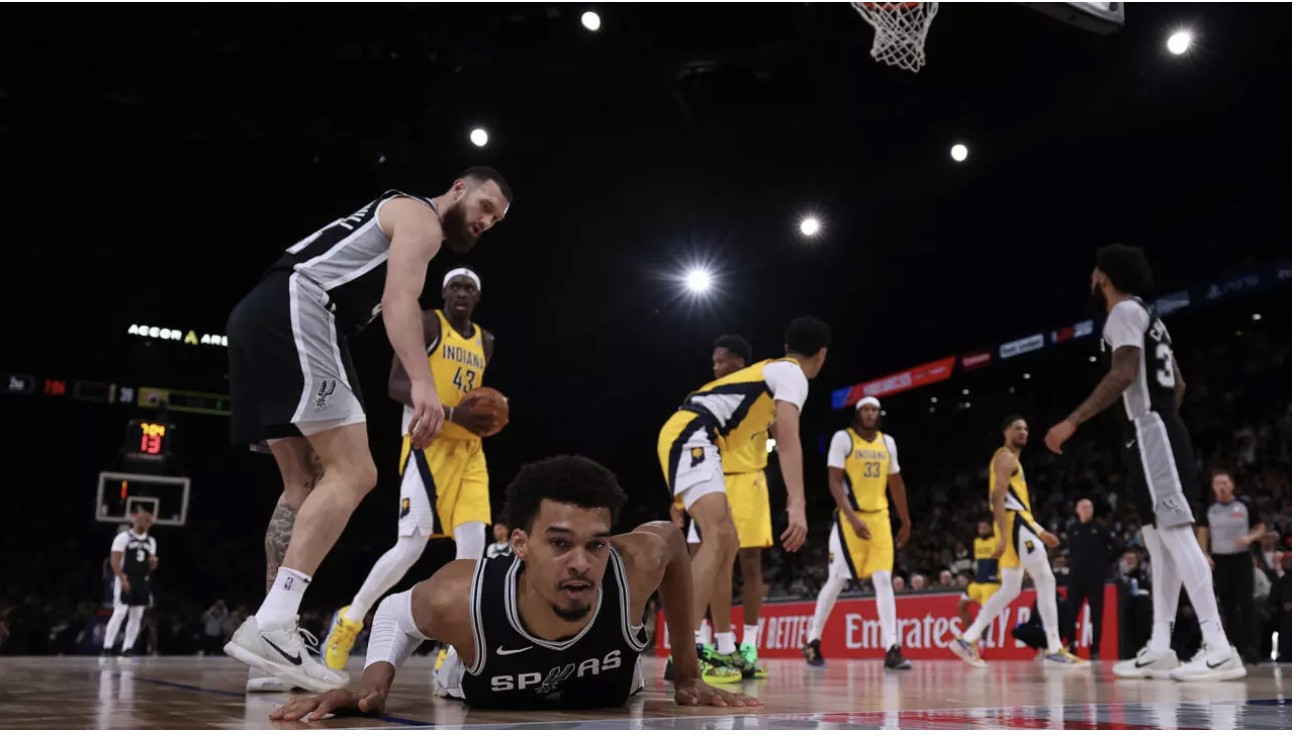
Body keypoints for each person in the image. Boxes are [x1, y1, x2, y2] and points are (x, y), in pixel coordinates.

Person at [223, 168, 512, 693]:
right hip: (301, 304)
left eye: (496, 219)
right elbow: (401, 303)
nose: (486, 220)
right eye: (485, 205)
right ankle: (273, 625)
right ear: (458, 188)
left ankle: (268, 645)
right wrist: (424, 385)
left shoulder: (402, 222)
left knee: (303, 483)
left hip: (257, 313)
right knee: (355, 471)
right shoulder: (422, 219)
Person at [267, 456, 760, 719]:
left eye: (595, 545)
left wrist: (687, 674)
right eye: (560, 543)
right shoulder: (462, 598)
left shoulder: (630, 567)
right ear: (520, 545)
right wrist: (373, 687)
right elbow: (395, 612)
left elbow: (673, 540)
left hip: (609, 695)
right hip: (472, 681)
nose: (581, 564)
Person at [1044, 243, 1245, 682]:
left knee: (1175, 534)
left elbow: (1123, 372)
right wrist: (1161, 419)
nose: (1091, 282)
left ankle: (1218, 646)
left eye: (1094, 274)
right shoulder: (1150, 318)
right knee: (1157, 541)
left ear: (1105, 278)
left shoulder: (1123, 314)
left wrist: (1072, 421)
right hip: (1153, 429)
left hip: (1151, 430)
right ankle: (1160, 646)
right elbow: (1181, 383)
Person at [323, 267, 501, 670]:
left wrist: (485, 413)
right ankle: (351, 620)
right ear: (443, 293)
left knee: (473, 551)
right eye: (454, 285)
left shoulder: (486, 341)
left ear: (477, 297)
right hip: (427, 442)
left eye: (469, 288)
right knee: (411, 546)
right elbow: (396, 385)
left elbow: (474, 395)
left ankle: (455, 650)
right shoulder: (426, 323)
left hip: (470, 453)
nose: (461, 292)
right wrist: (454, 412)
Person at [657, 317, 828, 683]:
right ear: (822, 355)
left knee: (727, 540)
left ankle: (719, 648)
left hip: (701, 441)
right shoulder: (793, 375)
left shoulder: (770, 372)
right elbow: (787, 437)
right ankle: (684, 651)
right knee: (717, 538)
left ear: (787, 347)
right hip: (694, 436)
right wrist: (797, 503)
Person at [948, 417, 1087, 669]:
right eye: (1017, 428)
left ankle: (967, 640)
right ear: (1005, 431)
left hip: (1019, 527)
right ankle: (1054, 649)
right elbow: (997, 499)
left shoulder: (1013, 461)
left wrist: (1041, 532)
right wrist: (1002, 536)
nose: (1023, 432)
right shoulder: (1006, 458)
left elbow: (1016, 505)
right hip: (1014, 529)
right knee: (1045, 578)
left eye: (1026, 428)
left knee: (1010, 590)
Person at [673, 335, 774, 680]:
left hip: (750, 481)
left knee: (749, 564)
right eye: (713, 362)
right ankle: (698, 643)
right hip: (709, 480)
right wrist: (678, 499)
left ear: (740, 363)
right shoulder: (702, 397)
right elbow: (684, 446)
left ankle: (747, 645)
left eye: (721, 361)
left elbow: (781, 434)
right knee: (701, 561)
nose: (715, 367)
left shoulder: (765, 395)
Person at [803, 395, 913, 670]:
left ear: (879, 414)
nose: (870, 414)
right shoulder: (843, 438)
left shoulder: (888, 442)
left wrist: (906, 521)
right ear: (857, 413)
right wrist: (851, 518)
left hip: (880, 519)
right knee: (838, 580)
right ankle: (812, 639)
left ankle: (892, 647)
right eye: (865, 409)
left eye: (874, 410)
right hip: (849, 520)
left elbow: (896, 484)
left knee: (884, 580)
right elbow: (834, 481)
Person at [1197, 469, 1266, 664]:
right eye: (1217, 483)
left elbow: (1261, 528)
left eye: (1225, 483)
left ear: (1232, 485)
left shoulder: (1244, 505)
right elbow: (1202, 533)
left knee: (1247, 604)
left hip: (1242, 560)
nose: (1221, 487)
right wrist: (1204, 555)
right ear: (1213, 487)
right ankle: (1235, 648)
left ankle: (1252, 649)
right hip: (1220, 561)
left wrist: (1248, 538)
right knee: (1227, 607)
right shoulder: (1209, 508)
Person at [1064, 498, 1118, 660]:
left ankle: (1095, 649)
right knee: (1071, 612)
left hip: (1095, 577)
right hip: (1076, 577)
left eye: (1090, 507)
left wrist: (1104, 566)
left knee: (1097, 613)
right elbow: (1072, 551)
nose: (1088, 510)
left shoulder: (1100, 528)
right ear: (1077, 510)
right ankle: (1071, 646)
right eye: (1084, 507)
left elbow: (1116, 546)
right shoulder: (1073, 529)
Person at [101, 513, 158, 659]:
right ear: (137, 521)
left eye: (150, 522)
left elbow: (150, 565)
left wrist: (153, 564)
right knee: (120, 612)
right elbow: (115, 560)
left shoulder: (151, 541)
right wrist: (121, 578)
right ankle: (107, 647)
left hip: (142, 580)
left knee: (137, 615)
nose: (148, 524)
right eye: (146, 521)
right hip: (126, 577)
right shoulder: (123, 537)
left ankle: (127, 648)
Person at [957, 519, 1000, 634]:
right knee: (961, 605)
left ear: (990, 528)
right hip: (978, 581)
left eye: (984, 528)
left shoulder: (997, 540)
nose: (982, 530)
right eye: (980, 528)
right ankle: (971, 633)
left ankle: (981, 640)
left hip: (991, 582)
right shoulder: (977, 542)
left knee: (985, 614)